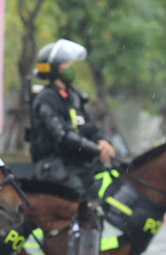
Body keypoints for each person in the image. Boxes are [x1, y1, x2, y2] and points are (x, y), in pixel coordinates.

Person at [28, 39, 115, 195]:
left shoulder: (73, 96)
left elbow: (88, 125)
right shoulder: (46, 98)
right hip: (54, 167)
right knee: (79, 198)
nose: (71, 67)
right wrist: (96, 150)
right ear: (54, 68)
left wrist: (103, 141)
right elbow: (62, 135)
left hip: (77, 164)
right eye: (66, 64)